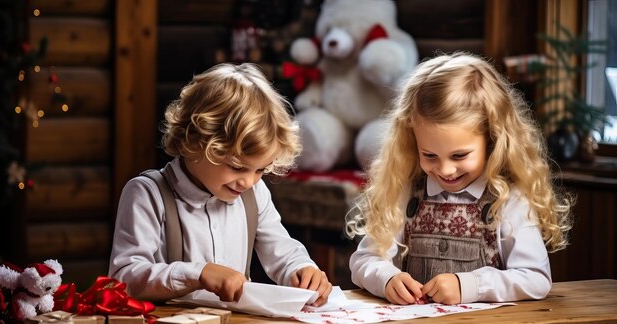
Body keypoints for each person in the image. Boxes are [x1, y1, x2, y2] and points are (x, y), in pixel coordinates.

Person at [347, 52, 574, 305]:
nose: (445, 169)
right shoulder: (406, 193)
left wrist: (471, 286)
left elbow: (535, 278)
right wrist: (387, 279)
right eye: (430, 155)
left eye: (459, 155)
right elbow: (364, 260)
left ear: (492, 139)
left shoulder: (509, 201)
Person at [109, 63, 332, 306]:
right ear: (194, 142)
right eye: (236, 167)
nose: (248, 181)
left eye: (260, 169)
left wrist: (301, 268)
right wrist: (199, 274)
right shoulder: (148, 194)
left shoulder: (253, 193)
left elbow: (281, 249)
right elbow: (123, 279)